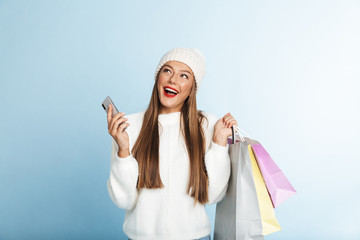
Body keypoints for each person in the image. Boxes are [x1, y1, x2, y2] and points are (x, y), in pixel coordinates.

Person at [106, 47, 238, 240]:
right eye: (167, 71)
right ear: (157, 77)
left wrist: (219, 144)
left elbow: (213, 196)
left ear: (193, 87)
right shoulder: (129, 127)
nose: (173, 80)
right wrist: (123, 151)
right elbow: (124, 200)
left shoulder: (206, 125)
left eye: (184, 75)